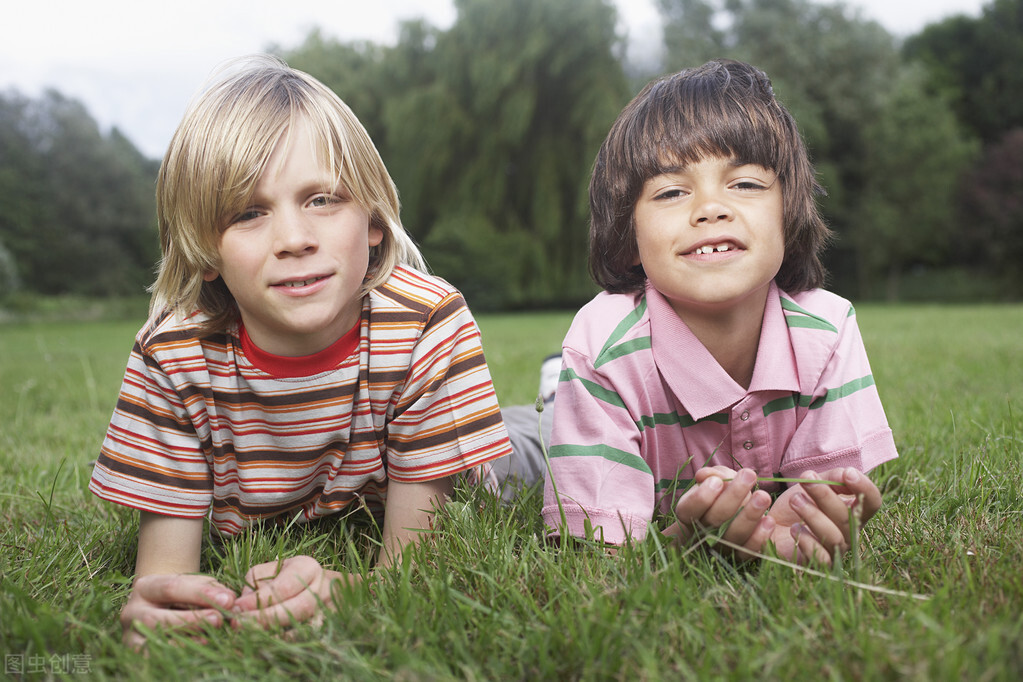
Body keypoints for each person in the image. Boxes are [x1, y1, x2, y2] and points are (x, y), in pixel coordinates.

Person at [89, 55, 512, 647]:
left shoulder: (426, 322)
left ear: (372, 221)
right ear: (206, 251)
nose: (294, 239)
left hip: (473, 469)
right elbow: (164, 578)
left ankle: (547, 395)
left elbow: (416, 570)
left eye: (322, 199)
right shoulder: (173, 356)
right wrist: (161, 612)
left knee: (532, 445)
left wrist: (351, 592)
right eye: (248, 213)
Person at [542, 59, 898, 565]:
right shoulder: (603, 346)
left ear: (788, 210)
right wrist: (688, 545)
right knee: (519, 456)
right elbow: (597, 553)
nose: (711, 208)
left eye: (746, 184)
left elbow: (820, 500)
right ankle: (555, 388)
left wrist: (802, 529)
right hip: (574, 409)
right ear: (629, 238)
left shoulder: (828, 329)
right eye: (671, 191)